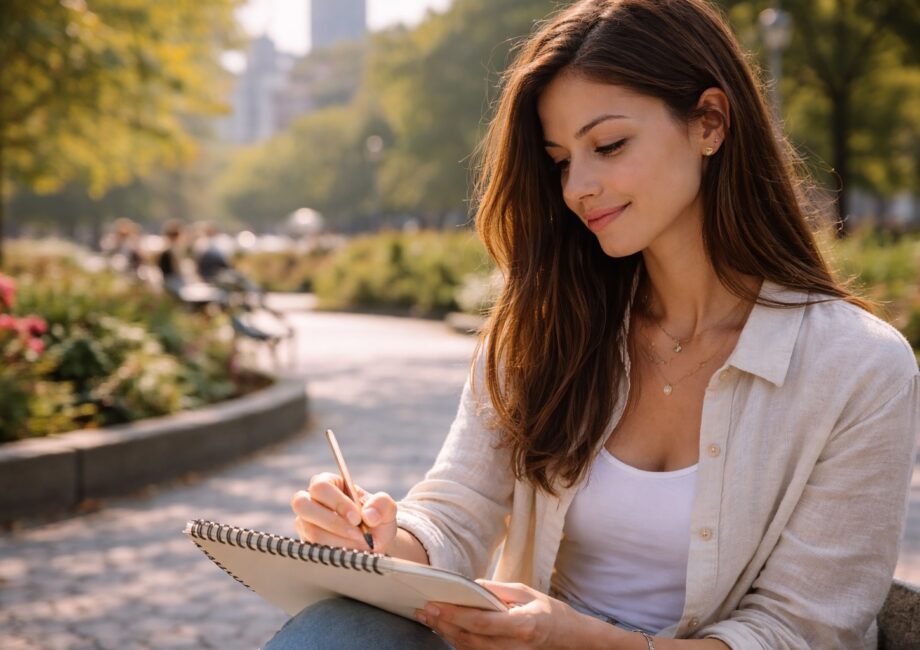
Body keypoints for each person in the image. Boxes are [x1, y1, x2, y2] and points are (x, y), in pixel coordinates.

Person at [267, 0, 919, 648]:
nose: (577, 186)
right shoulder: (546, 326)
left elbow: (801, 632)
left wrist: (581, 639)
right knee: (334, 627)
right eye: (560, 160)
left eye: (609, 145)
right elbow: (457, 512)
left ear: (710, 123)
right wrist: (383, 539)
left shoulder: (858, 368)